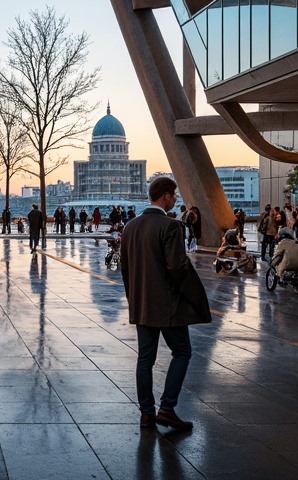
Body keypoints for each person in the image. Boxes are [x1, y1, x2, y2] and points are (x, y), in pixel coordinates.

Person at [121, 176, 211, 431]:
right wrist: (195, 296)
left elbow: (126, 270)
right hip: (168, 305)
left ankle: (147, 413)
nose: (176, 199)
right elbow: (177, 267)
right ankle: (168, 408)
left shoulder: (130, 227)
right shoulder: (171, 227)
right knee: (182, 352)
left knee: (145, 359)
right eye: (174, 195)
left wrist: (133, 299)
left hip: (142, 304)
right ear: (166, 196)